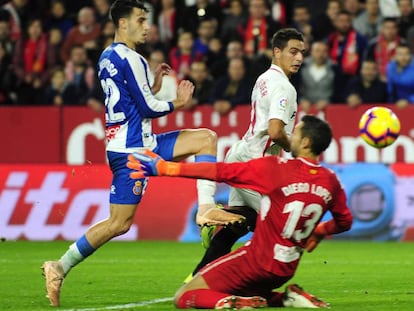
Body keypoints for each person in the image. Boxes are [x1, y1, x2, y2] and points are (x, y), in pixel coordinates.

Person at [41, 0, 243, 307]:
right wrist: (179, 102)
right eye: (140, 19)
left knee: (206, 139)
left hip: (139, 143)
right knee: (118, 224)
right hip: (133, 152)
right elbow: (149, 107)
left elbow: (133, 98)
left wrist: (154, 84)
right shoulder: (132, 57)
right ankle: (60, 265)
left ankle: (205, 209)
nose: (147, 26)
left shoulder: (108, 56)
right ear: (122, 23)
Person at [127, 115, 353, 309]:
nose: (290, 137)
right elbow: (345, 221)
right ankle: (286, 297)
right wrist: (321, 230)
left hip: (255, 262)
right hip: (286, 269)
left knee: (184, 295)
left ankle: (231, 303)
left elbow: (221, 171)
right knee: (253, 288)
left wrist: (168, 168)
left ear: (305, 142)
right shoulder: (331, 181)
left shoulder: (277, 169)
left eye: (295, 134)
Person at [187, 28, 306, 282]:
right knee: (281, 226)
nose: (298, 58)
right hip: (255, 168)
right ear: (277, 52)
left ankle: (197, 278)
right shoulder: (285, 88)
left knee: (237, 225)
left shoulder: (263, 78)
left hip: (240, 155)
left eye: (301, 53)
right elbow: (275, 130)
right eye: (293, 52)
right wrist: (292, 146)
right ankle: (247, 280)